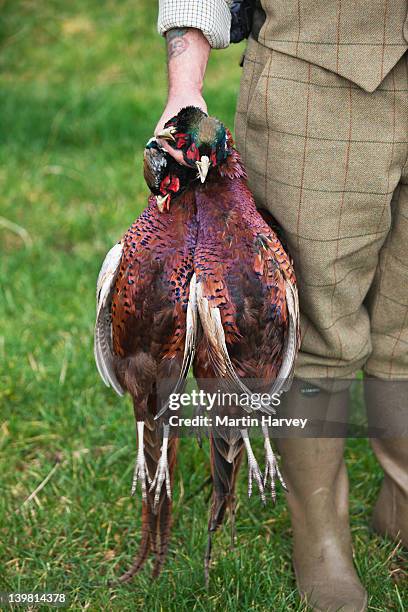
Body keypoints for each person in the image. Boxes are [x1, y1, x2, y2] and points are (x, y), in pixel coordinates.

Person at [155, 2, 408, 611]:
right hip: (313, 81)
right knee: (317, 323)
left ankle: (401, 500)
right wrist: (185, 85)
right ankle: (321, 536)